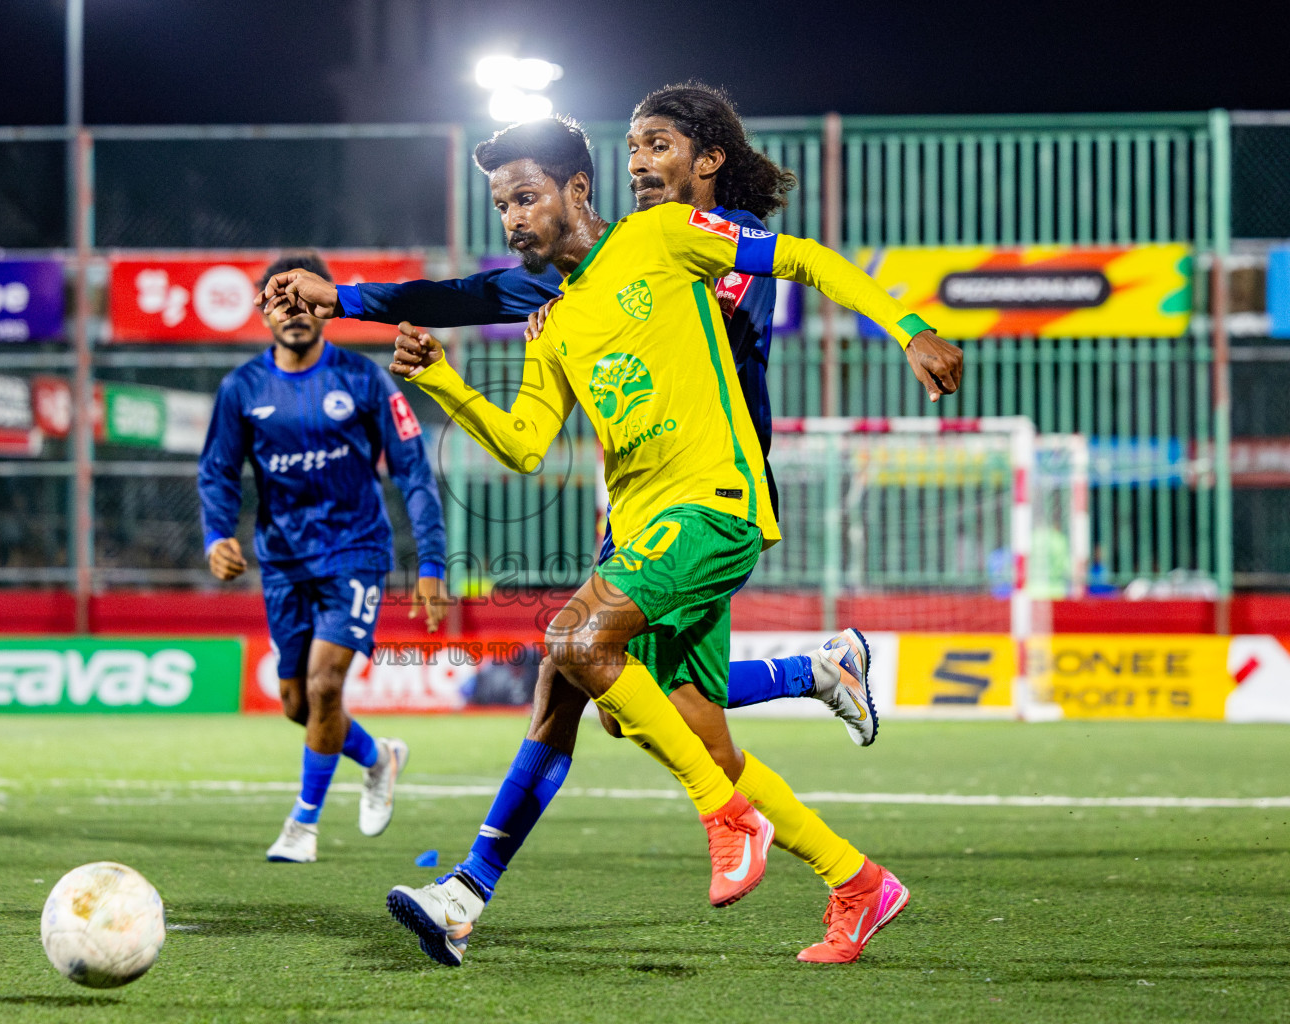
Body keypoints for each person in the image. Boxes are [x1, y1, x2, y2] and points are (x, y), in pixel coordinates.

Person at [368, 116, 936, 966]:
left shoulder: (663, 237)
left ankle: (709, 816)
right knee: (665, 716)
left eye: (526, 197)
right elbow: (526, 443)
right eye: (501, 206)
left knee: (572, 641)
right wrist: (444, 378)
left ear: (577, 192)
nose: (514, 219)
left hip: (714, 506)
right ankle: (856, 882)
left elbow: (805, 259)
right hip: (641, 527)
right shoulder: (556, 323)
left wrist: (907, 326)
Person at [264, 83, 965, 748]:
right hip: (644, 495)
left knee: (599, 670)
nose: (637, 162)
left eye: (658, 145)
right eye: (632, 147)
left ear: (710, 159)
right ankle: (814, 681)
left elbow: (787, 276)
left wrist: (909, 328)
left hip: (714, 488)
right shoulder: (612, 258)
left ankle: (486, 873)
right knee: (637, 700)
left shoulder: (700, 242)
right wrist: (346, 300)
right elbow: (467, 296)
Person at [197, 251, 452, 864]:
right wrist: (216, 536)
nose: (292, 314)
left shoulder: (363, 380)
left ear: (322, 306)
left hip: (355, 552)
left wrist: (432, 563)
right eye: (278, 303)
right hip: (284, 562)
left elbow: (413, 469)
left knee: (324, 683)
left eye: (303, 301)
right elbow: (218, 472)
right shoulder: (242, 390)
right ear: (262, 312)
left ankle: (302, 825)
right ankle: (379, 757)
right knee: (298, 704)